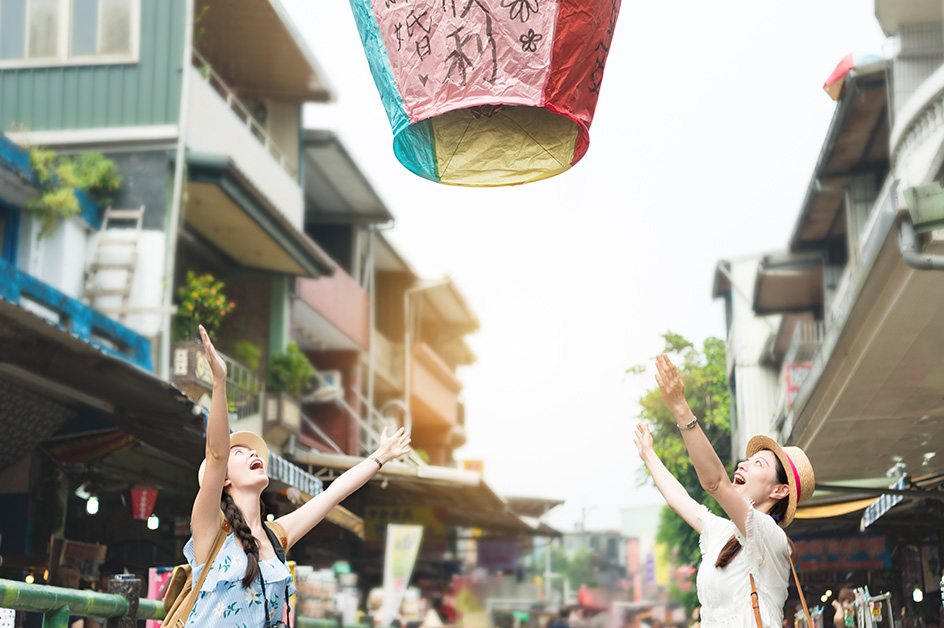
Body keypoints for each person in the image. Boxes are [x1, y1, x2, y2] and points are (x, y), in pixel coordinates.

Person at [182, 325, 412, 627]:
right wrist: (220, 381)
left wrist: (380, 456)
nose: (254, 455)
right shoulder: (211, 528)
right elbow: (215, 454)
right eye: (241, 453)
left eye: (254, 453)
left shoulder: (275, 536)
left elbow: (333, 495)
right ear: (225, 479)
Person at [633, 355, 815, 628]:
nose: (743, 465)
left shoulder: (771, 536)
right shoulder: (721, 533)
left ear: (779, 490)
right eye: (747, 460)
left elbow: (715, 482)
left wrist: (681, 408)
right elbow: (678, 499)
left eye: (758, 464)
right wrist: (648, 455)